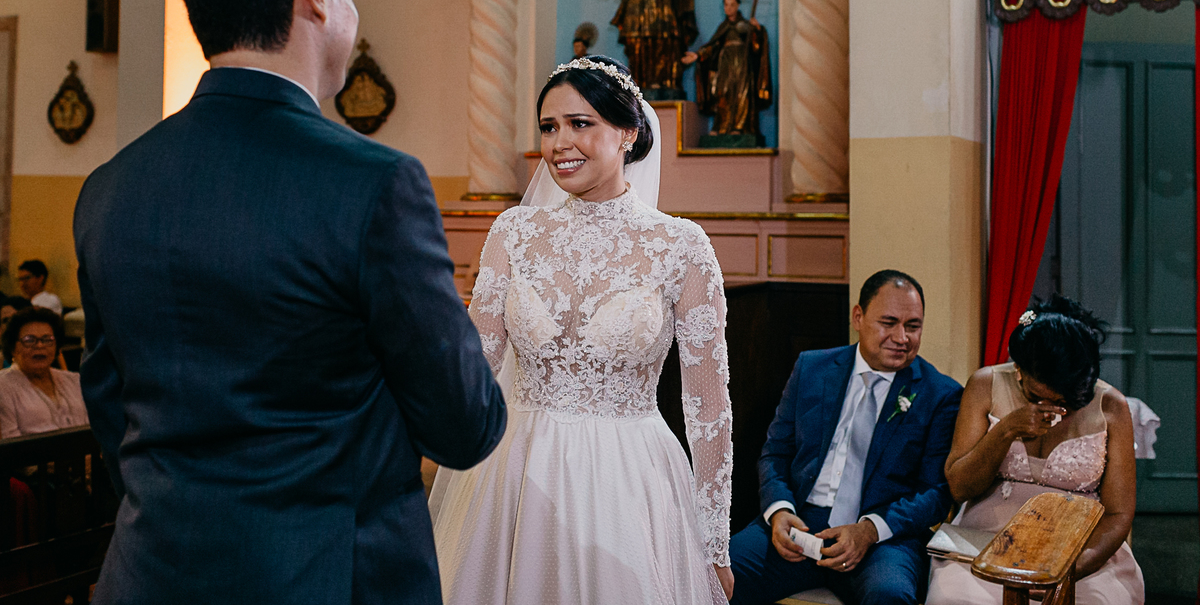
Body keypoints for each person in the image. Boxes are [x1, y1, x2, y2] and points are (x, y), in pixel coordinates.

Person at [73, 0, 506, 605]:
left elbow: (110, 401)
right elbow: (464, 426)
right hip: (327, 577)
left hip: (150, 571)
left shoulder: (112, 186)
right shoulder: (374, 182)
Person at [429, 55, 734, 604]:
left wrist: (714, 542)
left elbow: (708, 408)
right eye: (549, 127)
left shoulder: (681, 248)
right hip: (516, 475)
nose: (560, 143)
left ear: (628, 132)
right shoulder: (514, 233)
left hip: (625, 478)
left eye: (580, 123)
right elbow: (475, 363)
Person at [729, 270, 964, 605]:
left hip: (882, 536)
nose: (902, 337)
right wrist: (780, 511)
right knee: (715, 574)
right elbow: (775, 453)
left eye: (913, 326)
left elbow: (936, 493)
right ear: (858, 316)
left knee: (890, 596)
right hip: (800, 522)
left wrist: (869, 530)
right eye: (889, 322)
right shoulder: (812, 368)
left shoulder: (941, 394)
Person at [927, 296, 1144, 605]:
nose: (1058, 410)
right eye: (1039, 396)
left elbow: (1119, 512)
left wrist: (1069, 570)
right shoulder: (984, 385)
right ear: (1019, 369)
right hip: (987, 541)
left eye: (1070, 400)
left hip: (1080, 550)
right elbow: (960, 487)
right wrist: (1006, 430)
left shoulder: (1112, 407)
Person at [682, 0, 771, 140]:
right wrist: (698, 55)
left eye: (732, 5)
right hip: (725, 64)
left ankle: (739, 126)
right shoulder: (723, 27)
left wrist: (758, 31)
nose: (728, 8)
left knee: (741, 93)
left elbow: (756, 48)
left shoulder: (745, 25)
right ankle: (721, 126)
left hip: (742, 63)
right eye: (726, 5)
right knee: (722, 92)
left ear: (737, 6)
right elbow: (713, 46)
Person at [0, 307, 87, 437]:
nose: (40, 346)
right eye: (29, 340)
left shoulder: (74, 380)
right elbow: (11, 447)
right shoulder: (3, 386)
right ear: (13, 347)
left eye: (47, 340)